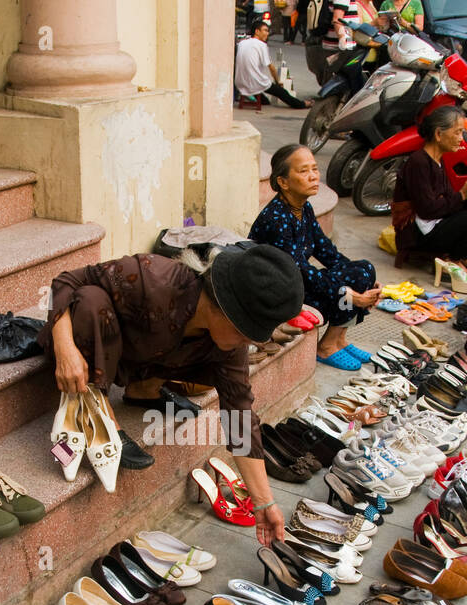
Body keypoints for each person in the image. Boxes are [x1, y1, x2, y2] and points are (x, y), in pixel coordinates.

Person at [38, 246, 303, 546]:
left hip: (136, 357)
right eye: (245, 332)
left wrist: (264, 503)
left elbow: (239, 416)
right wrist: (64, 347)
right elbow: (64, 282)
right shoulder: (150, 277)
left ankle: (143, 390)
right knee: (90, 300)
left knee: (228, 376)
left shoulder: (227, 345)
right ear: (221, 308)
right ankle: (104, 416)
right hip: (83, 345)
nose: (248, 343)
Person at [249, 144, 380, 372]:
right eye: (303, 171)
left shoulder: (303, 208)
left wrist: (365, 281)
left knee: (363, 271)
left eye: (315, 169)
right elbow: (298, 269)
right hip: (278, 292)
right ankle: (326, 347)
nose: (313, 176)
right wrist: (347, 293)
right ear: (283, 182)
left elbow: (327, 252)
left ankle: (338, 340)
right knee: (344, 289)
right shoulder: (276, 218)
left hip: (299, 282)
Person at [391, 106, 467, 268]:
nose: (461, 139)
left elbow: (446, 196)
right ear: (439, 134)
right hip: (419, 234)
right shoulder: (418, 162)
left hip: (435, 221)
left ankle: (462, 255)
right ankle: (455, 257)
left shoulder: (437, 160)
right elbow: (427, 209)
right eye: (457, 132)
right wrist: (462, 194)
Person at [237, 20, 312, 107]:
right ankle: (301, 104)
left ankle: (255, 98)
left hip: (240, 81)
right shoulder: (261, 45)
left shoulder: (242, 43)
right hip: (255, 81)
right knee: (282, 92)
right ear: (257, 31)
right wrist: (277, 82)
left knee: (265, 101)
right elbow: (271, 68)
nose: (267, 33)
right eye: (265, 30)